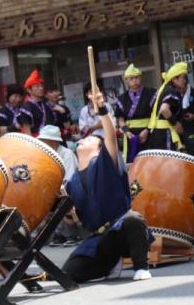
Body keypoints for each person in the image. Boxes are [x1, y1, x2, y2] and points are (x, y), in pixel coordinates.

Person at [63, 86, 154, 283]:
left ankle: (141, 266)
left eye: (88, 140)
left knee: (133, 219)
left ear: (98, 150)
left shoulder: (106, 161)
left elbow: (111, 136)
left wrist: (102, 109)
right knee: (69, 274)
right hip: (98, 239)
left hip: (121, 230)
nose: (82, 141)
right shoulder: (73, 182)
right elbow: (74, 219)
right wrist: (69, 215)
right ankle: (110, 265)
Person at [111, 64, 156, 160]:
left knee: (151, 160)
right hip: (131, 134)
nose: (134, 80)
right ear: (126, 80)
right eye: (131, 78)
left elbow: (155, 114)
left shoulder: (151, 93)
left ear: (140, 78)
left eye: (136, 77)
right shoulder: (122, 98)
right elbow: (120, 118)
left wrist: (148, 130)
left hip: (149, 131)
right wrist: (126, 132)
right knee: (133, 162)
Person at [146, 62, 189, 151]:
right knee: (169, 162)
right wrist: (175, 124)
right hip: (166, 134)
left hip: (157, 134)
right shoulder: (171, 91)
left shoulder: (162, 90)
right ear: (174, 79)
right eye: (183, 78)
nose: (185, 81)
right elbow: (164, 109)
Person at [17, 70, 58, 135]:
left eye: (41, 86)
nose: (41, 88)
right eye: (37, 86)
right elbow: (27, 133)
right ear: (29, 90)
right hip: (36, 142)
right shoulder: (26, 108)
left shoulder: (47, 105)